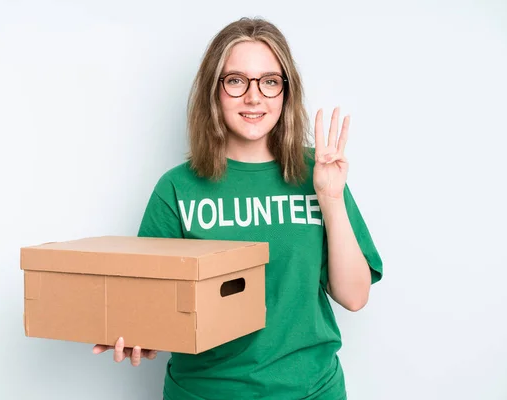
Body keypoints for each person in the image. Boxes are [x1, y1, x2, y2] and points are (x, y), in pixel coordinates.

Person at [93, 17, 383, 400]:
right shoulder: (177, 188)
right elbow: (150, 303)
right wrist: (139, 334)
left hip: (311, 391)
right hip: (205, 391)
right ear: (214, 92)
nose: (253, 97)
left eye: (269, 81)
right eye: (235, 81)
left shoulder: (319, 174)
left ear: (285, 92)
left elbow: (354, 296)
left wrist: (330, 199)